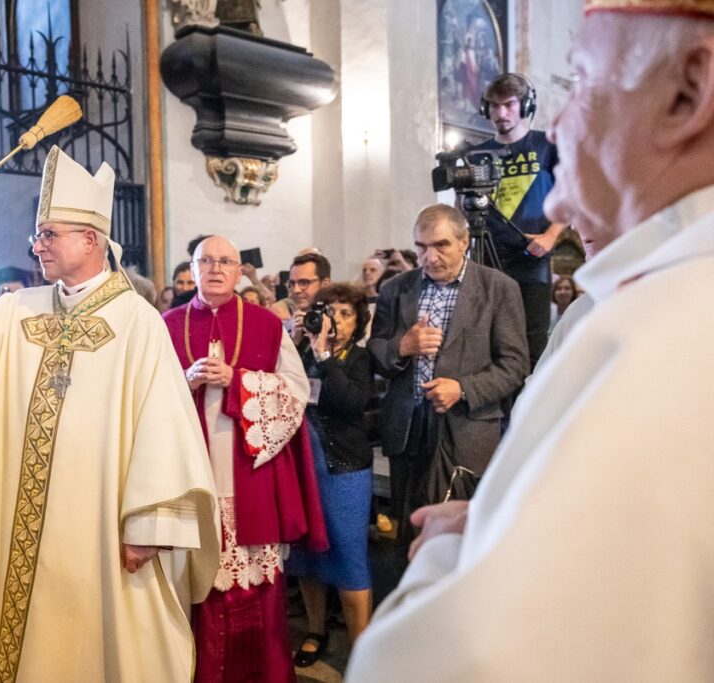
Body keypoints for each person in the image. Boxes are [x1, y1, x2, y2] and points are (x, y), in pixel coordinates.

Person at [346, 5, 714, 680]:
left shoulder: (666, 327)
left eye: (582, 82)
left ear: (691, 92)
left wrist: (455, 555)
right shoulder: (637, 296)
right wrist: (503, 521)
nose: (561, 124)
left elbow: (462, 658)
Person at [0, 146, 220, 682]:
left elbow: (164, 425)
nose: (37, 245)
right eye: (38, 234)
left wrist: (149, 524)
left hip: (101, 524)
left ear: (91, 240)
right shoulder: (18, 310)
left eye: (49, 234)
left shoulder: (137, 321)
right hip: (17, 520)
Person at [163, 235, 327, 683]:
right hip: (189, 473)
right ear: (192, 270)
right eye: (206, 261)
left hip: (249, 476)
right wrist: (184, 381)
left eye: (225, 262)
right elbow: (141, 396)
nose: (215, 269)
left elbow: (296, 392)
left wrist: (238, 380)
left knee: (256, 590)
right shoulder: (166, 325)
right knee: (193, 585)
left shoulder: (267, 324)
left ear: (239, 271)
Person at [370, 205, 528, 544]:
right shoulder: (395, 289)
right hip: (408, 429)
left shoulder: (498, 288)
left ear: (464, 242)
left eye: (441, 245)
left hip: (466, 428)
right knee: (410, 533)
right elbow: (377, 353)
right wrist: (402, 347)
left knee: (463, 538)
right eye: (421, 247)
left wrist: (463, 388)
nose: (430, 257)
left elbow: (515, 365)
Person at [285, 283, 374, 668]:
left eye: (345, 314)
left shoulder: (359, 358)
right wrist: (294, 343)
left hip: (345, 470)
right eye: (330, 312)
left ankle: (362, 649)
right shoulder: (302, 351)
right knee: (307, 554)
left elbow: (350, 401)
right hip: (304, 466)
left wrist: (323, 354)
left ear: (358, 323)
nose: (335, 320)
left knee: (348, 554)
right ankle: (315, 629)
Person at [472, 72, 568, 368]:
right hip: (488, 260)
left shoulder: (547, 145)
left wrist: (551, 235)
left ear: (525, 106)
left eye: (509, 104)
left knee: (532, 345)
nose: (501, 113)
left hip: (532, 260)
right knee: (491, 346)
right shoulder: (476, 154)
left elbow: (571, 194)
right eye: (494, 105)